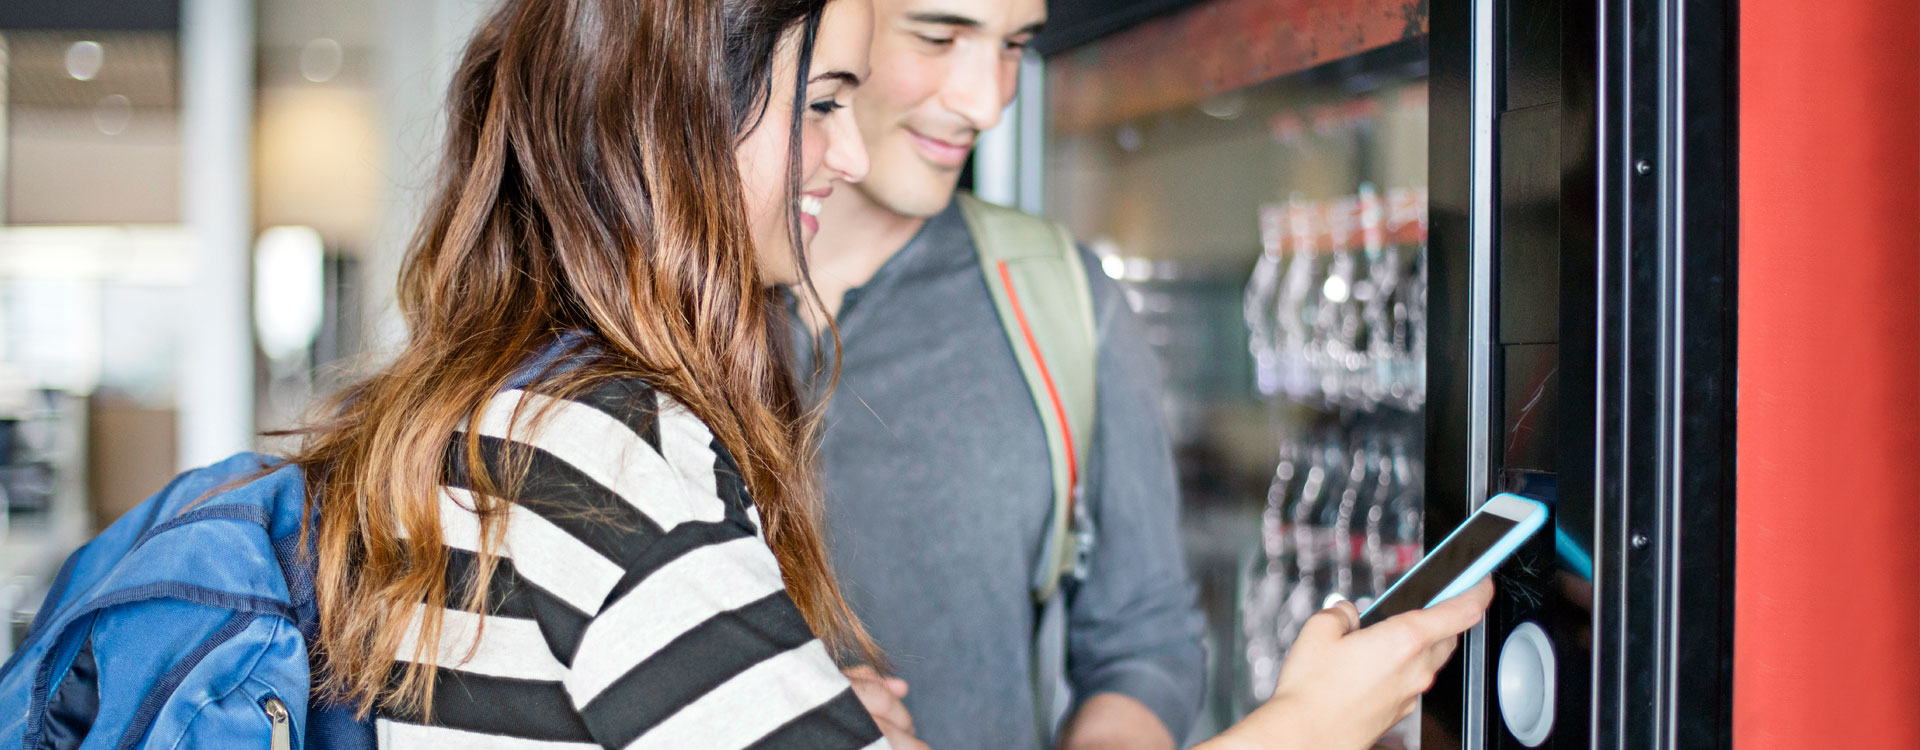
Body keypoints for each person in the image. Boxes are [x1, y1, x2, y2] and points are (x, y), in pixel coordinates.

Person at [280, 0, 908, 746]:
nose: (852, 157)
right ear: (676, 113)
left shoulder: (481, 413)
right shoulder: (618, 460)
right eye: (822, 103)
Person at [789, 0, 1202, 746]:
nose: (986, 102)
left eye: (1014, 45)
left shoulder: (1059, 297)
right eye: (939, 36)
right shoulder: (622, 316)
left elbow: (1145, 644)